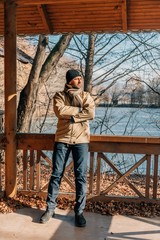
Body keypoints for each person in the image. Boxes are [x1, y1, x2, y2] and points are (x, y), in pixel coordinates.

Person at [40, 69, 95, 227]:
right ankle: (50, 209)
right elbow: (59, 110)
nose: (79, 81)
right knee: (56, 174)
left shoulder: (86, 96)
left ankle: (79, 212)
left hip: (81, 140)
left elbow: (91, 113)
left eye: (80, 79)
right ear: (69, 80)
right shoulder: (59, 96)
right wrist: (79, 111)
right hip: (62, 139)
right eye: (77, 79)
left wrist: (71, 116)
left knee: (80, 176)